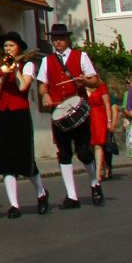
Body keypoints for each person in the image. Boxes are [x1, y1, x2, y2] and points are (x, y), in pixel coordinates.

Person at [35, 23, 102, 208]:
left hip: (78, 110)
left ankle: (95, 183)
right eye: (55, 38)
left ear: (67, 39)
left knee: (83, 152)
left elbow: (95, 81)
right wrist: (46, 94)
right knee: (63, 153)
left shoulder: (81, 56)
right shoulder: (47, 61)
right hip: (59, 113)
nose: (58, 41)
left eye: (61, 38)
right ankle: (71, 196)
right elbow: (42, 84)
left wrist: (84, 80)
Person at [0, 31, 47, 216]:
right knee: (5, 160)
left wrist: (14, 69)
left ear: (18, 48)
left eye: (11, 46)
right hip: (3, 114)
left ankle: (41, 193)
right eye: (5, 46)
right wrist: (3, 75)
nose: (7, 49)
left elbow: (22, 87)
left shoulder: (27, 65)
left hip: (20, 114)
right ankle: (14, 205)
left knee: (24, 158)